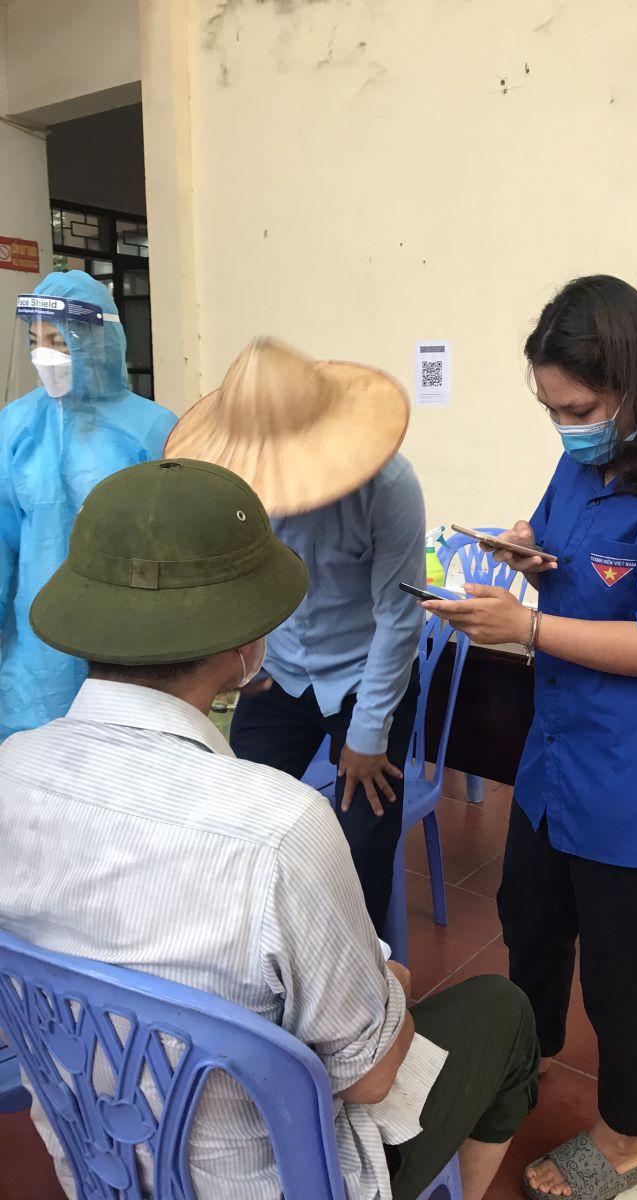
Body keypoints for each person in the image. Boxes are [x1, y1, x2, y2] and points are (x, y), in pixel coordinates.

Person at [0, 457, 539, 1200]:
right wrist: (385, 981)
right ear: (247, 648)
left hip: (98, 1159)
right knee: (502, 1012)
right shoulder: (283, 828)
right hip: (271, 1177)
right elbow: (370, 1077)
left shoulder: (12, 768)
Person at [423, 276, 637, 1200]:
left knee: (624, 969)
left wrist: (528, 627)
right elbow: (573, 553)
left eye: (577, 411)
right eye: (550, 411)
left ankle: (627, 1135)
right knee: (530, 922)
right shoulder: (586, 465)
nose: (565, 430)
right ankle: (522, 1056)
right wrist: (530, 555)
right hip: (558, 757)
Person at [165, 338, 425, 935]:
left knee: (361, 843)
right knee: (238, 821)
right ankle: (258, 957)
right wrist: (237, 662)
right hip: (277, 672)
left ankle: (365, 968)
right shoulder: (238, 482)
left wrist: (368, 733)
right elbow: (231, 580)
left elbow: (399, 616)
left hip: (364, 677)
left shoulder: (389, 487)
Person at [0, 269, 177, 742]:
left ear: (97, 342)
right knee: (32, 762)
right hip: (36, 651)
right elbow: (2, 538)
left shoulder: (152, 429)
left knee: (122, 757)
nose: (45, 355)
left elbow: (175, 542)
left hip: (128, 638)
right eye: (35, 341)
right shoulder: (16, 426)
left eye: (59, 341)